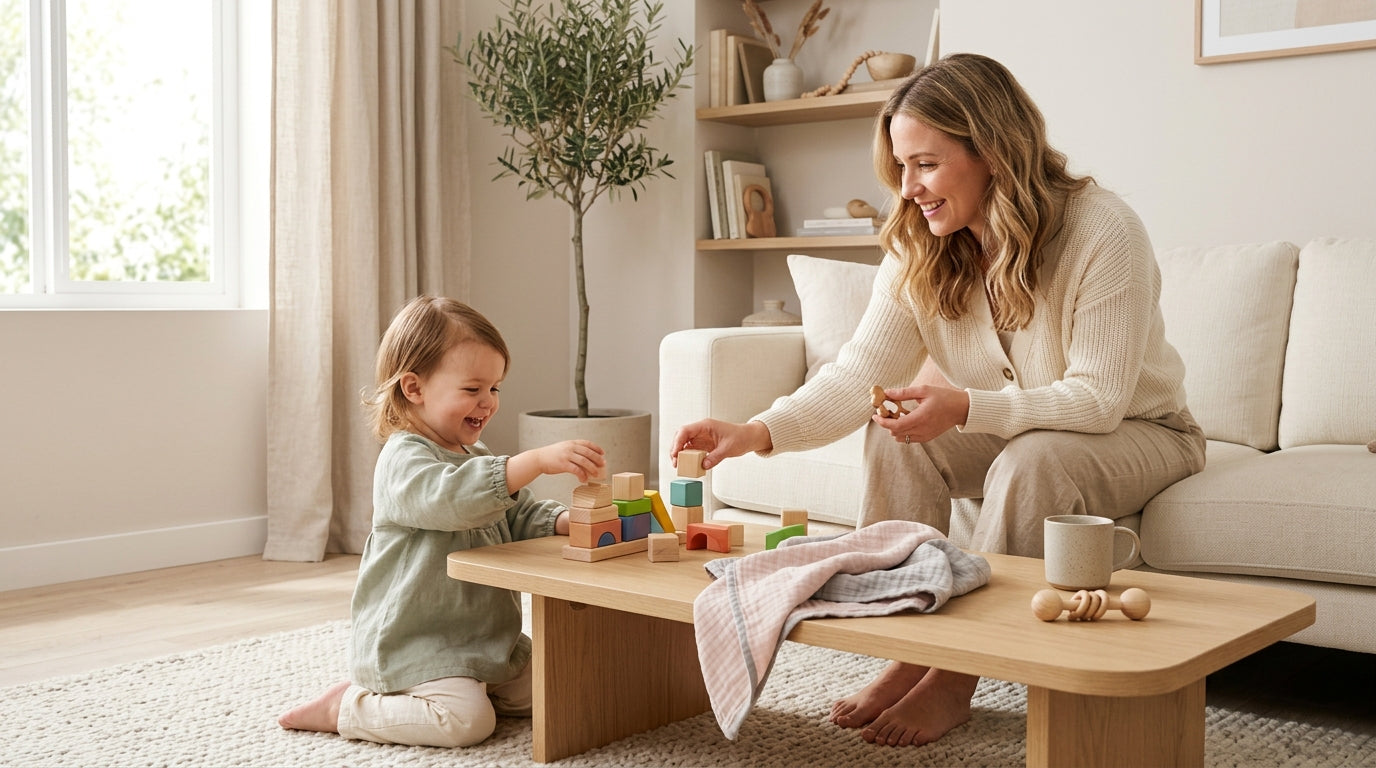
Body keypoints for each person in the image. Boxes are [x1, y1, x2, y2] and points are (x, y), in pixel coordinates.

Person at [670, 53, 1206, 748]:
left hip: (1144, 431)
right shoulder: (924, 243)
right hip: (1030, 431)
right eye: (900, 167)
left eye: (925, 164)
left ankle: (958, 681)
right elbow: (855, 374)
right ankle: (907, 652)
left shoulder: (1103, 229)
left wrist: (965, 408)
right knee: (890, 428)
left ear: (991, 151)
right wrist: (757, 431)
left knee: (1033, 460)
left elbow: (1099, 400)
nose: (909, 188)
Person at [278, 295, 606, 748]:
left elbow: (516, 511)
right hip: (420, 645)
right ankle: (347, 708)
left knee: (566, 686)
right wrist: (532, 461)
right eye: (472, 389)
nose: (488, 402)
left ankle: (485, 686)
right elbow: (450, 500)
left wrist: (566, 520)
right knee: (467, 723)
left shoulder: (476, 454)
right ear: (414, 388)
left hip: (487, 643)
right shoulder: (403, 458)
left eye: (495, 388)